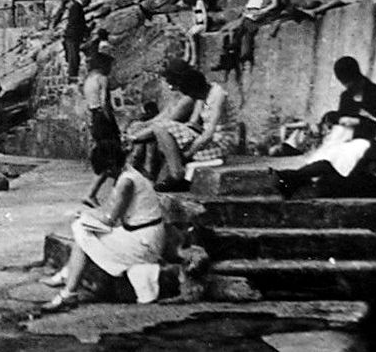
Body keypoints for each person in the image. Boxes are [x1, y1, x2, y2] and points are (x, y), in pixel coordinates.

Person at [41, 146, 167, 311]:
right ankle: (67, 283)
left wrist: (86, 215)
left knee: (82, 232)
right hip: (138, 233)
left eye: (107, 171)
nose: (105, 175)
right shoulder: (126, 174)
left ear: (112, 166)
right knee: (82, 230)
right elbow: (110, 209)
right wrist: (88, 215)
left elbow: (110, 219)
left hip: (145, 241)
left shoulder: (126, 182)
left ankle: (68, 291)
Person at [272, 57, 376, 208]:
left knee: (339, 155)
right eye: (345, 83)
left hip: (368, 140)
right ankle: (292, 178)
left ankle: (291, 177)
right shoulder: (346, 96)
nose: (348, 86)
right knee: (329, 152)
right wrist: (339, 120)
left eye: (350, 82)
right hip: (346, 138)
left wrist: (359, 122)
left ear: (357, 77)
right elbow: (341, 116)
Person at [127, 64, 234, 191]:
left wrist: (189, 152)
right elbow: (193, 124)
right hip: (208, 139)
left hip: (220, 144)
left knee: (160, 128)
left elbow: (209, 133)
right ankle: (173, 173)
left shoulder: (218, 94)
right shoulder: (203, 94)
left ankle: (176, 174)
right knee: (161, 131)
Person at [217, 0, 285, 69]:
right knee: (244, 28)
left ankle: (234, 47)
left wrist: (262, 11)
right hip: (259, 13)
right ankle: (236, 52)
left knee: (245, 24)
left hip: (269, 13)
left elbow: (275, 4)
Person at [82, 54, 123, 208]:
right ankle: (94, 194)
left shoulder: (88, 80)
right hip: (103, 119)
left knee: (107, 157)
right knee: (112, 157)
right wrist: (112, 122)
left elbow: (88, 105)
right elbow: (105, 102)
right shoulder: (102, 78)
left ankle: (112, 195)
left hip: (94, 118)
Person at [52, 0, 90, 81]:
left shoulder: (73, 6)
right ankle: (72, 77)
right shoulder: (76, 6)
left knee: (72, 56)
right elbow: (77, 22)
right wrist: (85, 32)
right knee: (73, 57)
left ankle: (72, 76)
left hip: (70, 34)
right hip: (73, 35)